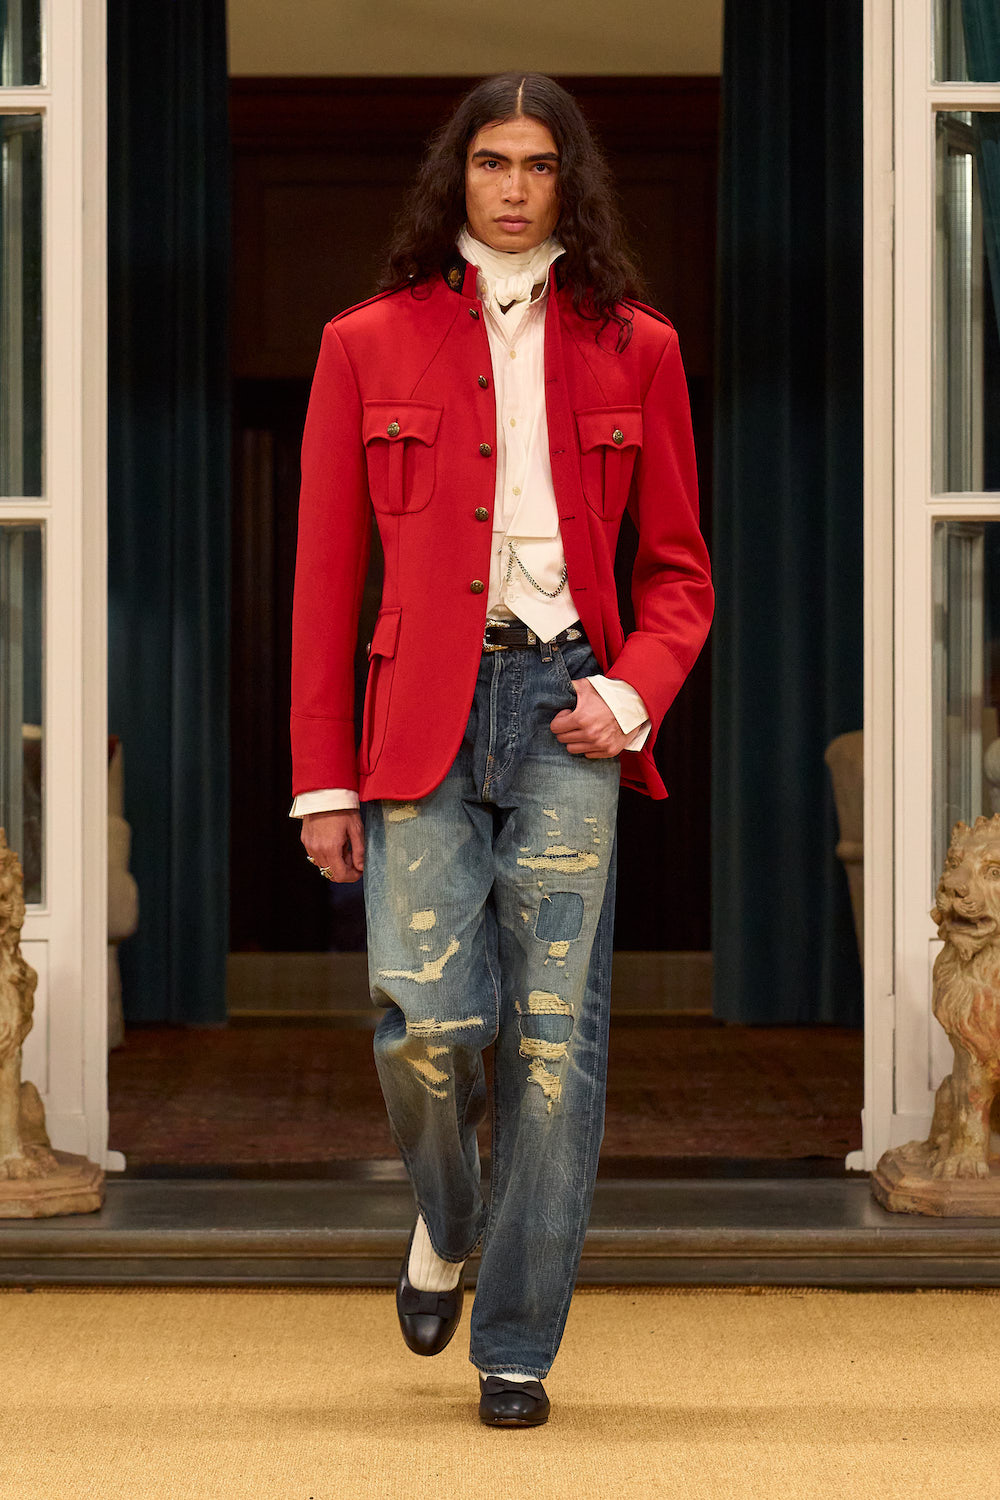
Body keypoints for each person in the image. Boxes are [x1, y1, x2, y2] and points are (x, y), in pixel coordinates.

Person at [290, 72, 713, 1428]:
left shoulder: (638, 346)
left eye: (538, 163)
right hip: (417, 714)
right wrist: (321, 779)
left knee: (552, 1045)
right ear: (457, 178)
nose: (515, 187)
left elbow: (679, 572)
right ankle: (449, 1213)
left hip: (569, 713)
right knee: (422, 1019)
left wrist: (631, 694)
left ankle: (517, 1346)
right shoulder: (365, 342)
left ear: (567, 181)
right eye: (492, 162)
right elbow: (323, 583)